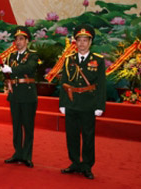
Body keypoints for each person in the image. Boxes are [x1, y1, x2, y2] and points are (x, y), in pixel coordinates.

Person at [59, 24, 106, 180]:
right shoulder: (68, 60)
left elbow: (101, 85)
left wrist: (100, 106)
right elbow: (64, 83)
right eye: (79, 40)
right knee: (71, 135)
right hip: (72, 103)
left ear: (90, 42)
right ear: (75, 42)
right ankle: (74, 163)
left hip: (88, 104)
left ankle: (86, 165)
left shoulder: (98, 61)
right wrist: (62, 103)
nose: (82, 44)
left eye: (85, 40)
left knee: (88, 136)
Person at [0, 26, 38, 168]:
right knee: (16, 126)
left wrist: (12, 69)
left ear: (27, 41)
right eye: (16, 39)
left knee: (27, 126)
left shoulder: (33, 55)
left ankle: (27, 156)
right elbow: (9, 75)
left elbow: (29, 68)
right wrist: (5, 72)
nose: (18, 42)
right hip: (14, 94)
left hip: (27, 95)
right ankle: (18, 153)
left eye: (21, 39)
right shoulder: (11, 56)